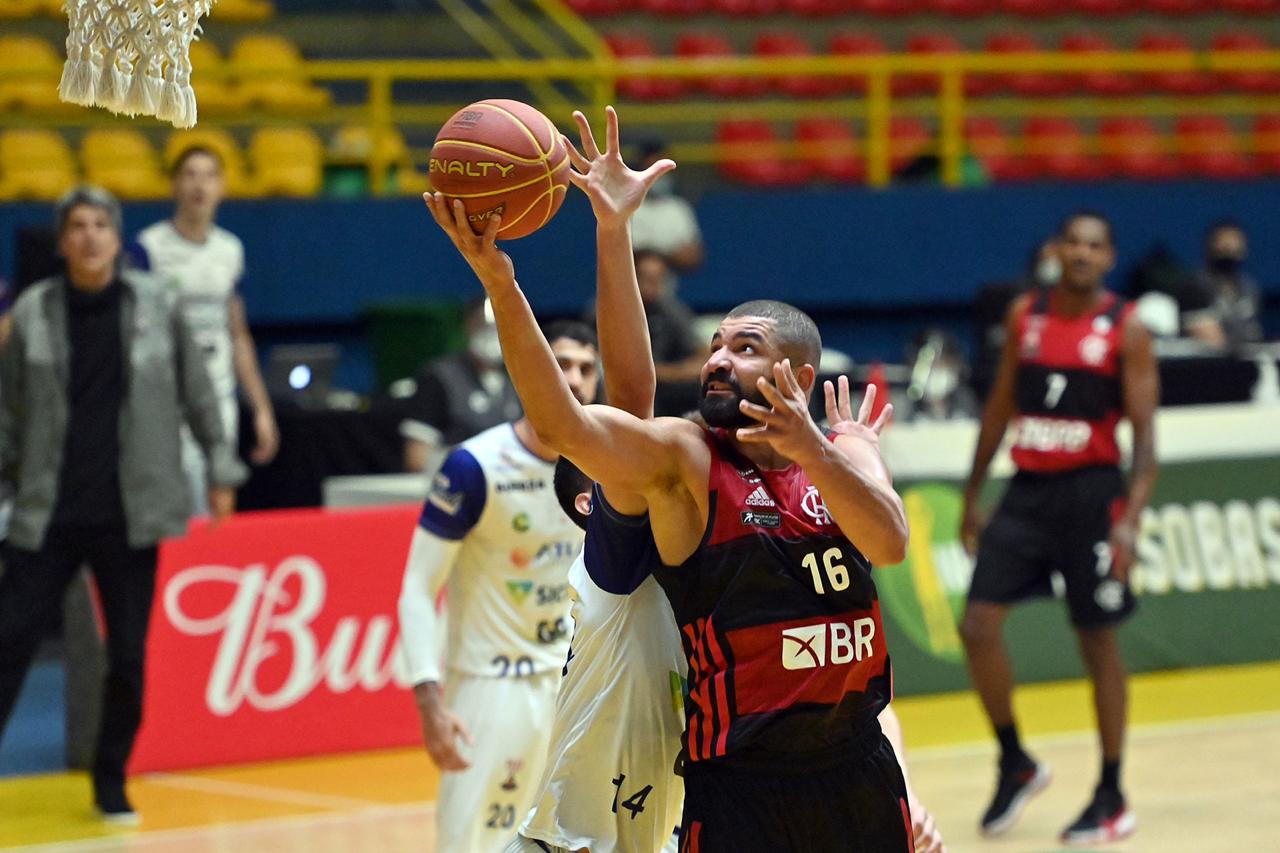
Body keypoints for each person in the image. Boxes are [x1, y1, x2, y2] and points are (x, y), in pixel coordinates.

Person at [425, 118, 915, 852]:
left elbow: (861, 623)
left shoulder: (826, 462)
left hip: (800, 779)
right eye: (714, 345)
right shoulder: (662, 487)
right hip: (598, 826)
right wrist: (502, 279)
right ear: (596, 501)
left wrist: (613, 229)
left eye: (737, 347)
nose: (715, 358)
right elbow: (582, 419)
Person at [0, 186, 246, 823]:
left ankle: (110, 779)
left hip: (131, 513)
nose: (88, 236)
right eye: (76, 226)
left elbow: (199, 394)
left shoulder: (156, 304)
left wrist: (221, 467)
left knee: (130, 657)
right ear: (61, 241)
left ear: (117, 237)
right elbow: (7, 414)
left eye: (100, 225)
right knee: (9, 643)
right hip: (45, 509)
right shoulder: (32, 311)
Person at [959, 211, 1159, 845]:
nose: (1081, 252)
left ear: (1109, 258)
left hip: (1092, 495)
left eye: (1095, 245)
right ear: (1055, 250)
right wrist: (971, 495)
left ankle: (1111, 790)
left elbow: (1147, 440)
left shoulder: (1126, 330)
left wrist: (1129, 521)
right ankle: (1015, 760)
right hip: (1026, 491)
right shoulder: (1027, 316)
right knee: (977, 625)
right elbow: (998, 408)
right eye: (1073, 241)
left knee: (1096, 640)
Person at [396, 320, 600, 853]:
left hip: (578, 687)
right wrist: (429, 701)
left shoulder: (611, 465)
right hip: (492, 688)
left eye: (585, 367)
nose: (574, 379)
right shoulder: (475, 466)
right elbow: (418, 587)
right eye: (560, 364)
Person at [133, 146, 278, 515]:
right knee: (174, 499)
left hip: (218, 394)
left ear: (223, 187)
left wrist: (261, 407)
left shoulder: (229, 249)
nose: (200, 184)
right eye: (190, 174)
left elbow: (238, 333)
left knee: (220, 494)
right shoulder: (149, 248)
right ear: (173, 185)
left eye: (209, 175)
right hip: (168, 397)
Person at [400, 297, 523, 474]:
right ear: (468, 326)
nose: (492, 334)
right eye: (484, 326)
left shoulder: (516, 381)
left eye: (500, 327)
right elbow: (416, 459)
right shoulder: (439, 377)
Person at [1183, 219, 1264, 349]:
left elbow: (1254, 332)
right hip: (1209, 364)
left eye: (1236, 243)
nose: (1230, 248)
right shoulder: (1195, 285)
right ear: (1210, 247)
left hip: (1249, 359)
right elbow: (1211, 340)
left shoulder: (1250, 288)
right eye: (1224, 244)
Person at [628, 137, 703, 274]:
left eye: (663, 173)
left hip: (670, 288)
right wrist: (668, 252)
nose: (658, 178)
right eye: (653, 171)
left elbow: (692, 256)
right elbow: (625, 255)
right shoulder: (630, 209)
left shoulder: (678, 208)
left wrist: (655, 253)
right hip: (632, 286)